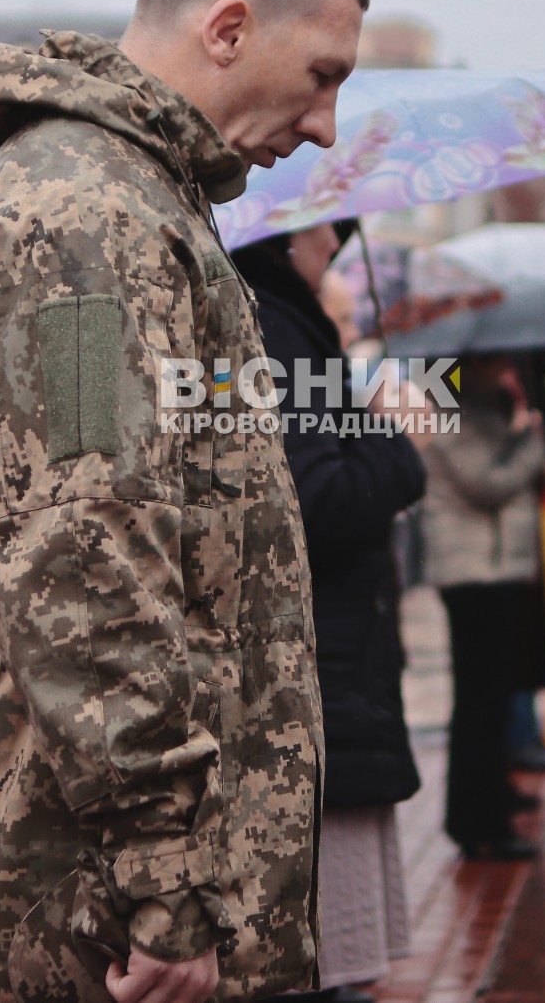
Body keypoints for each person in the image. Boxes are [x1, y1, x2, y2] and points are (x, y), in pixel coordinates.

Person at [0, 0, 366, 1003]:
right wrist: (167, 890)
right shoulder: (82, 226)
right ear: (226, 30)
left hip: (149, 904)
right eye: (323, 76)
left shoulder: (149, 208)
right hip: (107, 921)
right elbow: (82, 555)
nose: (324, 127)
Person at [232, 224, 428, 998]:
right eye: (330, 227)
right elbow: (315, 504)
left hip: (330, 674)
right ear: (293, 232)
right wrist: (395, 441)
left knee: (327, 962)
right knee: (321, 967)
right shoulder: (277, 327)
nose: (339, 239)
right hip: (317, 680)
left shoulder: (278, 317)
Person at [421, 355, 545, 861]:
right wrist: (532, 442)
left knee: (491, 698)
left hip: (495, 568)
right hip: (474, 571)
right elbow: (488, 482)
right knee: (480, 702)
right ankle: (477, 824)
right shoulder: (448, 402)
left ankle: (490, 804)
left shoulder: (477, 402)